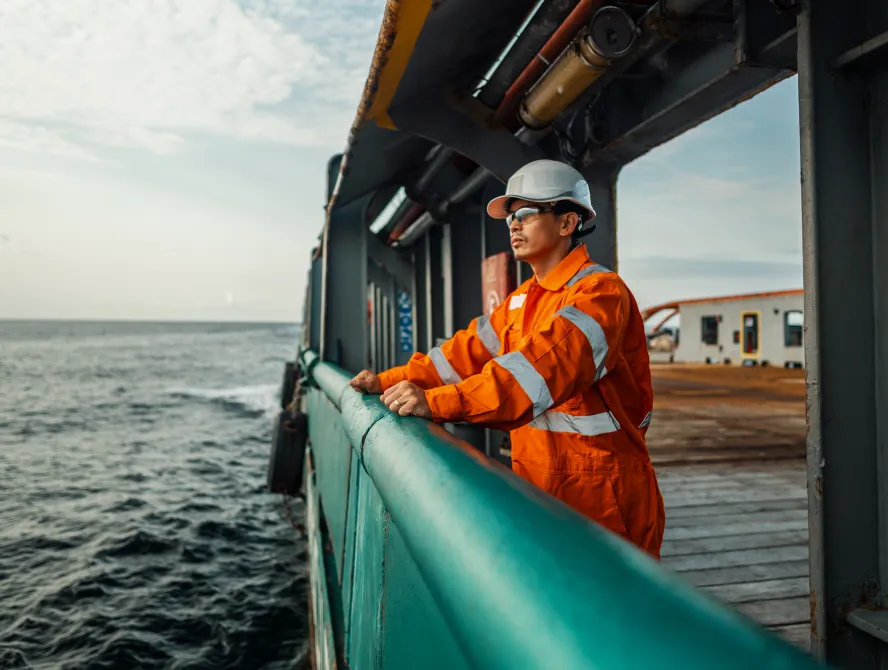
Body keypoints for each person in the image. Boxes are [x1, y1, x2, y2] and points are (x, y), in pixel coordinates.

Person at [349, 159, 665, 559]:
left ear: (568, 223)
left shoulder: (600, 295)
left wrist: (436, 403)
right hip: (541, 490)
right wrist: (388, 381)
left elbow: (536, 374)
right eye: (511, 217)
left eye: (527, 213)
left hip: (603, 499)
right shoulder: (522, 300)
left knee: (614, 616)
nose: (514, 225)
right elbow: (457, 357)